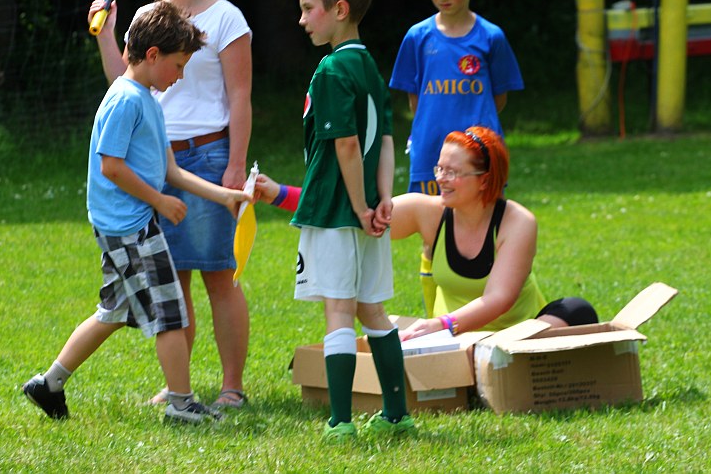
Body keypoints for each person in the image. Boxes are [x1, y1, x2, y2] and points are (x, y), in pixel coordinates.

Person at [22, 1, 249, 425]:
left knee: (114, 312)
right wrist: (159, 202)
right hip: (130, 228)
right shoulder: (125, 100)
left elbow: (170, 171)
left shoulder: (149, 101)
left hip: (131, 225)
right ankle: (181, 404)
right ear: (152, 55)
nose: (180, 76)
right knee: (170, 314)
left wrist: (223, 197)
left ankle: (48, 384)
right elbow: (111, 166)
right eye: (178, 66)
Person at [89, 0, 252, 410]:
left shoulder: (226, 19)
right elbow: (125, 82)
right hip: (153, 162)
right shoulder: (148, 16)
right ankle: (179, 385)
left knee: (218, 274)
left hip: (208, 154)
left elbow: (240, 96)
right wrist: (106, 35)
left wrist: (235, 165)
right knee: (172, 279)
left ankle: (231, 386)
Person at [255, 126, 598, 341]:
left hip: (518, 335)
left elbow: (499, 299)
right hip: (453, 336)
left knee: (577, 310)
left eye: (453, 172)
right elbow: (355, 213)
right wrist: (278, 194)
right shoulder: (428, 212)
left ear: (484, 180)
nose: (441, 179)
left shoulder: (517, 222)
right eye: (440, 168)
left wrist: (442, 325)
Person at [290, 0, 416, 440]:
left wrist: (361, 206)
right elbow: (384, 140)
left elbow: (346, 144)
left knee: (339, 311)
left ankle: (340, 422)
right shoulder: (368, 66)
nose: (302, 19)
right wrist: (384, 199)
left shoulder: (332, 68)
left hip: (336, 209)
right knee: (372, 310)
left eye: (309, 9)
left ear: (339, 10)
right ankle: (397, 414)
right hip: (368, 211)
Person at [389, 0, 524, 196]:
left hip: (479, 155)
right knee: (432, 220)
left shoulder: (491, 37)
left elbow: (498, 99)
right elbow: (415, 101)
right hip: (431, 152)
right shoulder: (417, 37)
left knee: (483, 219)